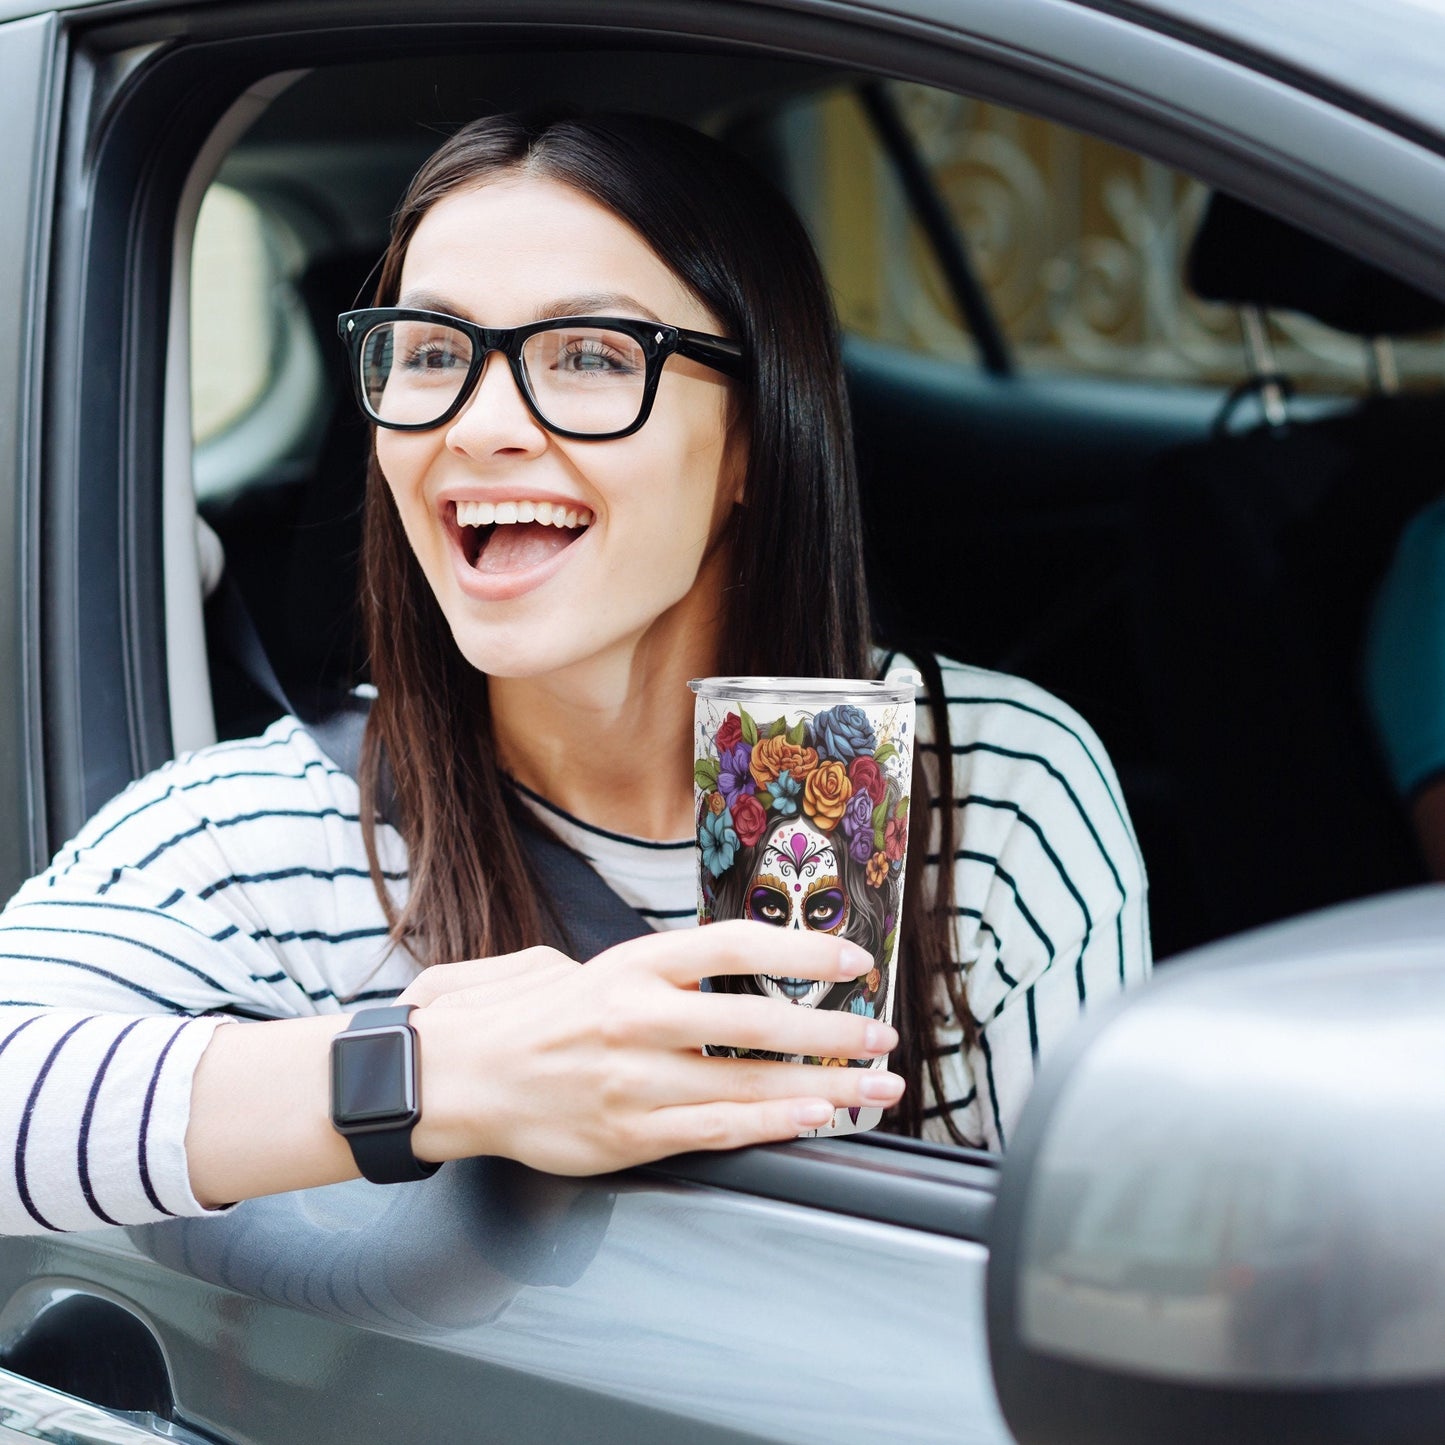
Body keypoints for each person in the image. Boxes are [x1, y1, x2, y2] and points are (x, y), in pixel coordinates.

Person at [0, 113, 1148, 1236]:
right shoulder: (278, 830)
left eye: (591, 354)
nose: (480, 424)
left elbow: (1114, 1277)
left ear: (756, 435)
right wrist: (434, 1072)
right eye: (433, 352)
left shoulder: (986, 789)